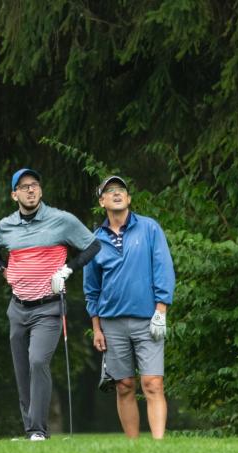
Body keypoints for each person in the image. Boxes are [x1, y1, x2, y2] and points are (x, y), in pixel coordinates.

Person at [0, 168, 101, 440]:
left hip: (49, 307)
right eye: (24, 186)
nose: (30, 190)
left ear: (41, 190)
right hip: (17, 308)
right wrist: (3, 270)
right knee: (22, 370)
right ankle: (31, 430)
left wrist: (68, 269)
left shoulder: (61, 220)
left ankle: (38, 430)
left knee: (37, 361)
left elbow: (93, 246)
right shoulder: (6, 226)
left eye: (34, 185)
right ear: (14, 195)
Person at [83, 175, 175, 439]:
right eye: (110, 190)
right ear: (102, 202)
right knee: (124, 385)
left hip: (148, 319)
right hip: (111, 323)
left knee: (153, 383)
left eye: (121, 189)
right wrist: (96, 328)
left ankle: (158, 446)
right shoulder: (94, 240)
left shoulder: (149, 228)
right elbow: (91, 288)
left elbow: (163, 269)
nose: (116, 193)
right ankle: (133, 448)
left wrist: (161, 310)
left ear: (129, 198)